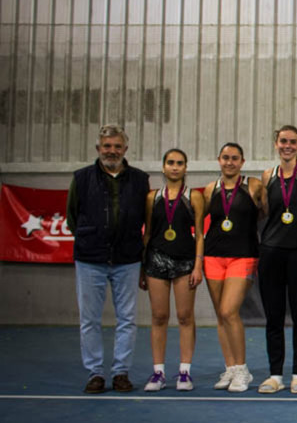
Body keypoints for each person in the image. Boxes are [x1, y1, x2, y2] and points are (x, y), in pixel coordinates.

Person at [67, 124, 150, 393]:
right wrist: (89, 238)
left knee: (127, 318)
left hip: (127, 258)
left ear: (125, 149)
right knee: (89, 319)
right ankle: (95, 373)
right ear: (98, 149)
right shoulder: (81, 179)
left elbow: (144, 218)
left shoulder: (140, 180)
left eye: (117, 146)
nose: (111, 151)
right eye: (107, 146)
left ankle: (120, 372)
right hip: (90, 259)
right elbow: (72, 218)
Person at [257, 125, 297, 394]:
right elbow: (265, 212)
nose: (287, 146)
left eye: (293, 142)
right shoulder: (267, 175)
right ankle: (274, 374)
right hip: (271, 252)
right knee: (273, 317)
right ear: (275, 144)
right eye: (283, 141)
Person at [139, 149, 204, 391]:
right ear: (163, 167)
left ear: (186, 167)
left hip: (185, 262)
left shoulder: (194, 197)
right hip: (156, 260)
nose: (175, 167)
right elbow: (147, 233)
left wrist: (198, 265)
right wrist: (142, 267)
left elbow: (199, 235)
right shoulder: (151, 198)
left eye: (180, 163)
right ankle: (158, 372)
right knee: (158, 316)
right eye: (170, 163)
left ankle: (184, 372)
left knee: (185, 317)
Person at [203, 142, 265, 393]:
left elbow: (265, 214)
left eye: (235, 158)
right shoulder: (210, 190)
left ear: (242, 162)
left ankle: (242, 369)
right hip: (213, 256)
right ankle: (229, 367)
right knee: (221, 314)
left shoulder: (253, 187)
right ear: (218, 160)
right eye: (225, 158)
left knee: (229, 311)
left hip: (244, 256)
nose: (230, 162)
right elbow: (202, 224)